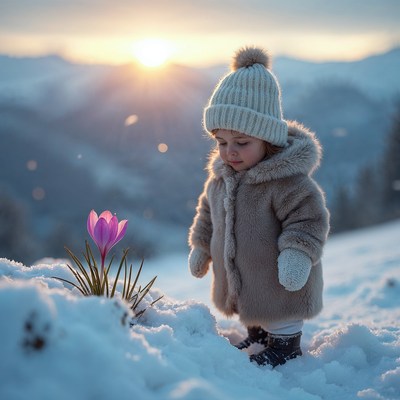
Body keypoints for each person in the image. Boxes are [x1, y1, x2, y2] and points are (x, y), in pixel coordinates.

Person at [188, 46, 330, 368]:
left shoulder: (286, 181)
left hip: (279, 277)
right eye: (221, 142)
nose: (230, 153)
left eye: (242, 143)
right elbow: (207, 213)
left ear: (268, 140)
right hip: (242, 277)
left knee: (279, 309)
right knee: (249, 302)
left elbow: (308, 218)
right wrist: (200, 246)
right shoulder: (221, 180)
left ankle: (285, 343)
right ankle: (258, 332)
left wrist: (297, 253)